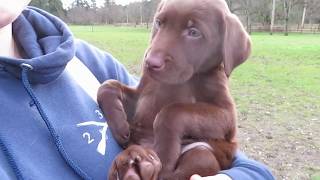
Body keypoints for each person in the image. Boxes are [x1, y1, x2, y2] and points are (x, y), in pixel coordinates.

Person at [0, 0, 275, 179]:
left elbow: (253, 171)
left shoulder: (86, 64)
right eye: (159, 23)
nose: (153, 56)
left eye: (192, 32)